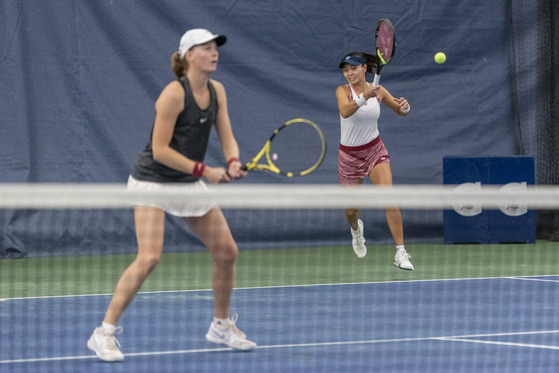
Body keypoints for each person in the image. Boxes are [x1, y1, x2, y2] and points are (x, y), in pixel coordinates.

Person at [87, 28, 257, 362]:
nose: (214, 53)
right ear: (189, 55)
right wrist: (206, 171)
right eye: (206, 48)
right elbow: (161, 150)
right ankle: (102, 333)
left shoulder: (217, 91)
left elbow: (227, 136)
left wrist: (233, 161)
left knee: (227, 252)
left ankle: (220, 326)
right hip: (152, 180)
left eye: (215, 48)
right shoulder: (172, 95)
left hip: (186, 181)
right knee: (149, 257)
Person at [336, 52, 414, 271]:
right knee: (351, 212)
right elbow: (345, 111)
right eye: (345, 70)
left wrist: (405, 107)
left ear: (364, 68)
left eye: (353, 68)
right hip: (349, 156)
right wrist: (363, 97)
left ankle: (400, 252)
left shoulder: (379, 91)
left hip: (374, 149)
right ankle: (356, 231)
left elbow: (400, 110)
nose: (349, 73)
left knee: (389, 197)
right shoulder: (342, 91)